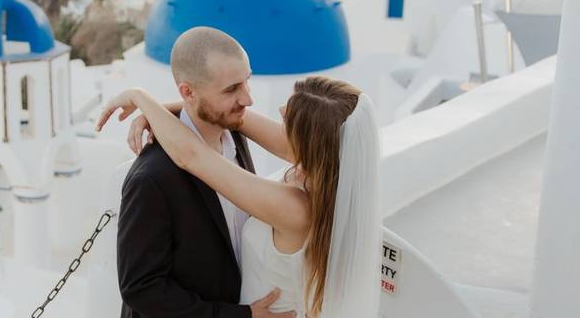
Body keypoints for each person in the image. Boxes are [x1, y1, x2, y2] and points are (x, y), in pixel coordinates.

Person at [97, 27, 381, 318]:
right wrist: (169, 110)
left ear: (309, 140)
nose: (250, 101)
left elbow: (192, 155)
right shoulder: (323, 165)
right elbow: (141, 288)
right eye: (235, 87)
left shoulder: (296, 208)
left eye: (289, 120)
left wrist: (140, 97)